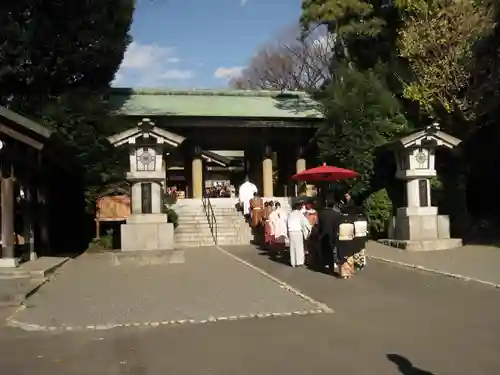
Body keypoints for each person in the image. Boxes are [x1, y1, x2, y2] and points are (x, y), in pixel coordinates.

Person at [317, 198, 342, 273]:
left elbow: (319, 225)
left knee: (323, 251)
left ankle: (323, 266)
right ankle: (331, 268)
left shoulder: (321, 213)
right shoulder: (337, 214)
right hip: (332, 235)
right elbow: (337, 226)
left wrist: (319, 234)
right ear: (333, 205)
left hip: (322, 235)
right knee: (331, 251)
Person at [287, 202, 312, 267]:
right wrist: (310, 229)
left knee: (292, 248)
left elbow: (287, 223)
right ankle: (299, 262)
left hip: (291, 232)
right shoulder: (300, 214)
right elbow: (305, 223)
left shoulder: (290, 214)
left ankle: (293, 262)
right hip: (298, 232)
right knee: (299, 247)